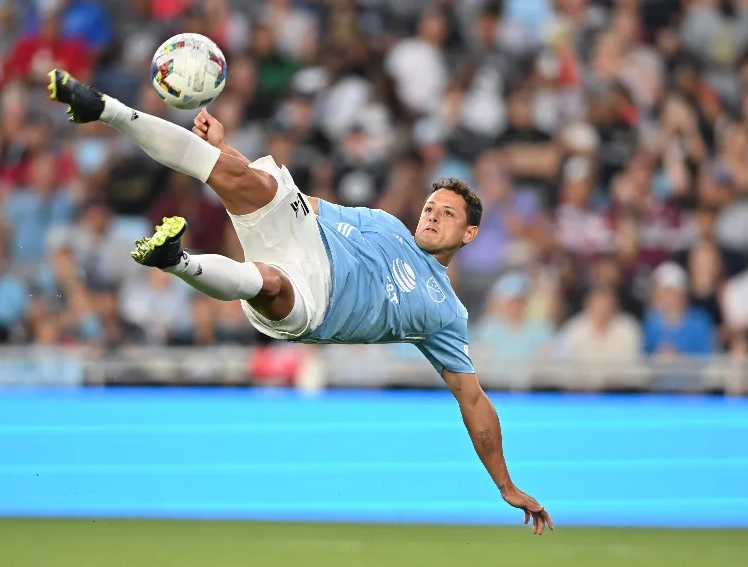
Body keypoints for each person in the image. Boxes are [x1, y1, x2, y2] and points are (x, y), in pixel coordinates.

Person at [47, 69, 554, 534]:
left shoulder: (446, 313)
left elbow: (473, 401)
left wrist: (505, 486)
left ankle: (176, 260)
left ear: (469, 234)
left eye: (446, 213)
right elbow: (303, 205)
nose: (431, 215)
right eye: (429, 206)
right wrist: (228, 150)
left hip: (315, 301)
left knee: (269, 282)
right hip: (308, 237)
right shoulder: (383, 223)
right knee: (240, 177)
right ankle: (102, 108)